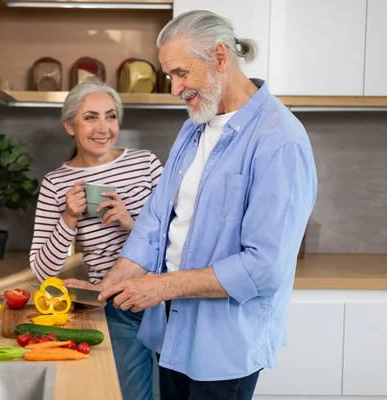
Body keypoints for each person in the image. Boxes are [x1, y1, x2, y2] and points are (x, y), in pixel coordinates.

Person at [65, 10, 318, 400]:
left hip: (225, 346)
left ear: (219, 57)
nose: (175, 88)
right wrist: (111, 282)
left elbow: (264, 267)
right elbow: (155, 220)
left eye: (181, 73)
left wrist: (161, 287)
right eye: (170, 76)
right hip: (173, 333)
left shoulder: (279, 140)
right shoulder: (193, 126)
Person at [29, 81, 164, 400]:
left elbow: (179, 236)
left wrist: (130, 222)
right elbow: (43, 271)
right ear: (69, 126)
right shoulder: (56, 183)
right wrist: (69, 218)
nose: (103, 128)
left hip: (168, 298)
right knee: (129, 394)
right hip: (116, 305)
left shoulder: (146, 164)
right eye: (91, 117)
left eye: (111, 116)